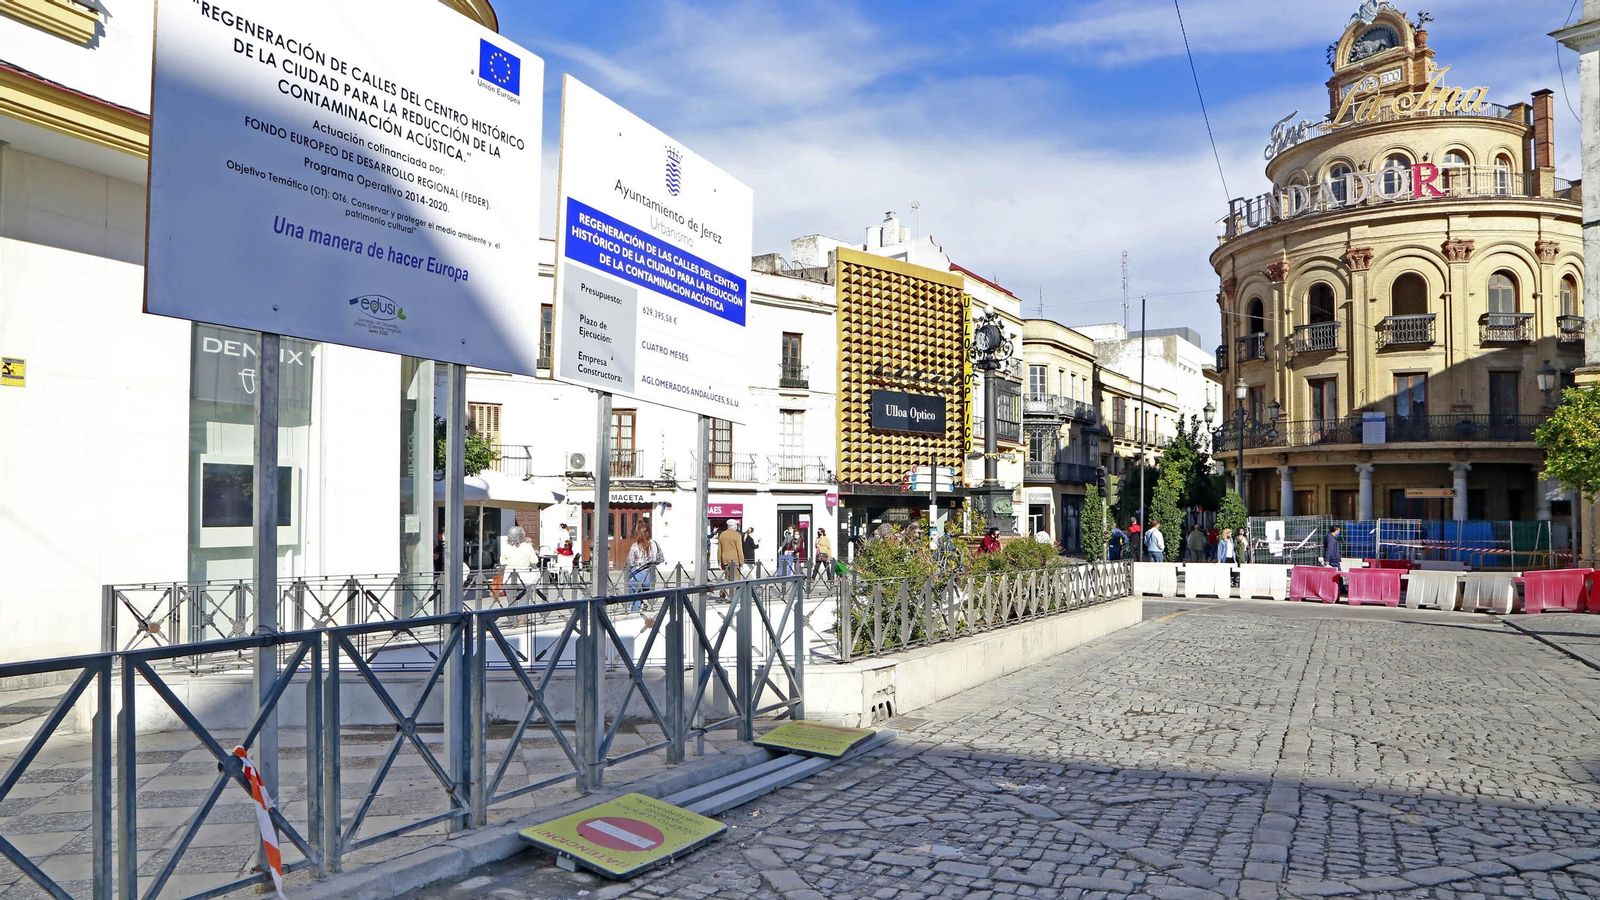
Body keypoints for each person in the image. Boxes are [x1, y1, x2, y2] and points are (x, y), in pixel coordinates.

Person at [626, 525, 664, 609]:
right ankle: (640, 604)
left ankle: (636, 608)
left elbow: (629, 562)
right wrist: (651, 564)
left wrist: (639, 564)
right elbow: (661, 558)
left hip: (638, 577)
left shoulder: (635, 546)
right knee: (636, 590)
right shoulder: (655, 544)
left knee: (630, 585)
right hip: (651, 577)